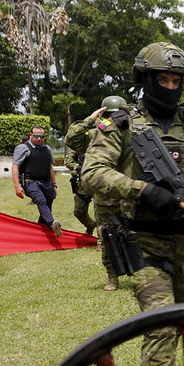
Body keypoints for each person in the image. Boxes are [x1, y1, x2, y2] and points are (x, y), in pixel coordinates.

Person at [82, 42, 184, 366]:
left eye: (175, 81)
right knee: (160, 324)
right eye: (161, 80)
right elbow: (91, 173)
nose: (169, 87)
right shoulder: (120, 125)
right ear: (144, 79)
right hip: (143, 242)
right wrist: (142, 191)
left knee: (181, 320)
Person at [65, 96, 127, 291]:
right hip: (104, 197)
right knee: (107, 237)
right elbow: (72, 139)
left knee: (133, 236)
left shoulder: (132, 134)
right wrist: (90, 120)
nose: (112, 118)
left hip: (129, 195)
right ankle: (112, 277)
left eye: (116, 115)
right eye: (108, 115)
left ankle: (137, 277)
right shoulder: (96, 135)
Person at [11, 126, 62, 237]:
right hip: (30, 182)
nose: (39, 139)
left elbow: (50, 167)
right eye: (36, 136)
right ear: (31, 135)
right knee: (40, 200)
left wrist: (54, 184)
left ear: (45, 137)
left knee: (48, 203)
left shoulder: (47, 149)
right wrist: (17, 186)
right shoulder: (23, 148)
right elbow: (15, 166)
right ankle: (51, 223)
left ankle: (41, 230)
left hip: (46, 182)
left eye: (41, 136)